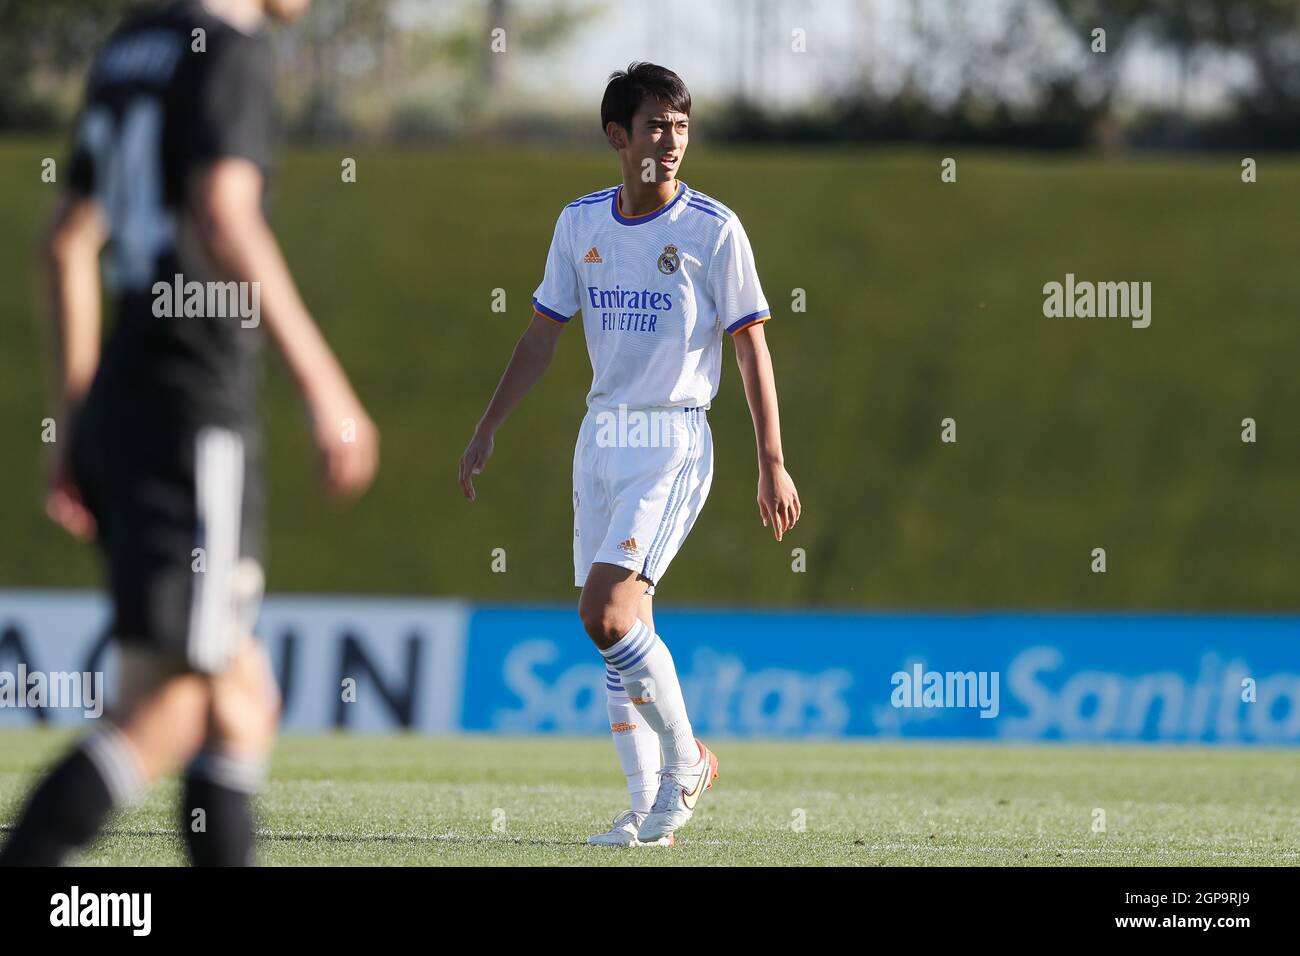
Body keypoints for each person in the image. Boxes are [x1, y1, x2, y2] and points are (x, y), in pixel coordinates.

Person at [1, 0, 378, 866]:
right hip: (192, 409)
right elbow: (224, 211)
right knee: (171, 706)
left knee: (242, 699)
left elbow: (64, 243)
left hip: (129, 403)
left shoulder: (132, 47)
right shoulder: (233, 50)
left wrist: (74, 415)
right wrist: (327, 387)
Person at [458, 62, 800, 846]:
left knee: (607, 612)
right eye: (656, 126)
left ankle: (688, 763)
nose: (672, 140)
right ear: (618, 136)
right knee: (612, 631)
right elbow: (543, 334)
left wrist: (770, 458)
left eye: (681, 126)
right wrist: (488, 426)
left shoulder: (714, 229)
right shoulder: (581, 225)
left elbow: (751, 348)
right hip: (601, 437)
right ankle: (651, 813)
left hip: (671, 438)